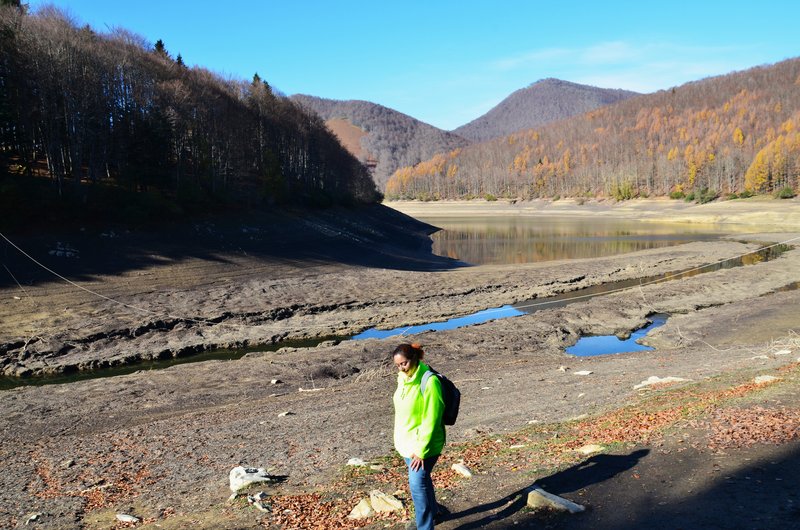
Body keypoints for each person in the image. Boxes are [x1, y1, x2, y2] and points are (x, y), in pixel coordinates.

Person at [392, 342, 445, 529]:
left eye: (404, 363)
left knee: (417, 486)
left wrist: (421, 450)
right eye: (398, 365)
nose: (401, 368)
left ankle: (425, 527)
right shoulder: (404, 378)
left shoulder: (429, 381)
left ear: (414, 359)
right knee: (423, 480)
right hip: (407, 445)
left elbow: (432, 418)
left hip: (424, 447)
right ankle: (435, 512)